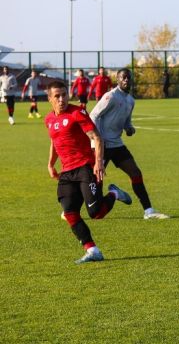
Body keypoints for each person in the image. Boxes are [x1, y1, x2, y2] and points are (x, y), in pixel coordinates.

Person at [45, 80, 132, 264]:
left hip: (86, 167)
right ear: (50, 99)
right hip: (67, 172)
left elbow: (97, 138)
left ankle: (114, 193)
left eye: (64, 95)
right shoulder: (49, 120)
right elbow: (54, 141)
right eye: (57, 96)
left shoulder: (78, 112)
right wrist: (51, 164)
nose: (62, 99)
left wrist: (98, 163)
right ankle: (92, 250)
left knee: (96, 213)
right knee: (69, 213)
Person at [90, 68, 170, 220]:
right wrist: (97, 138)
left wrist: (129, 128)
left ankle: (149, 211)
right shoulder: (110, 96)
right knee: (94, 180)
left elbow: (126, 121)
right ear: (118, 80)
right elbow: (93, 115)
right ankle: (71, 208)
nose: (126, 80)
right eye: (123, 78)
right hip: (102, 146)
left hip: (117, 145)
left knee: (136, 173)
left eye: (128, 78)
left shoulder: (130, 100)